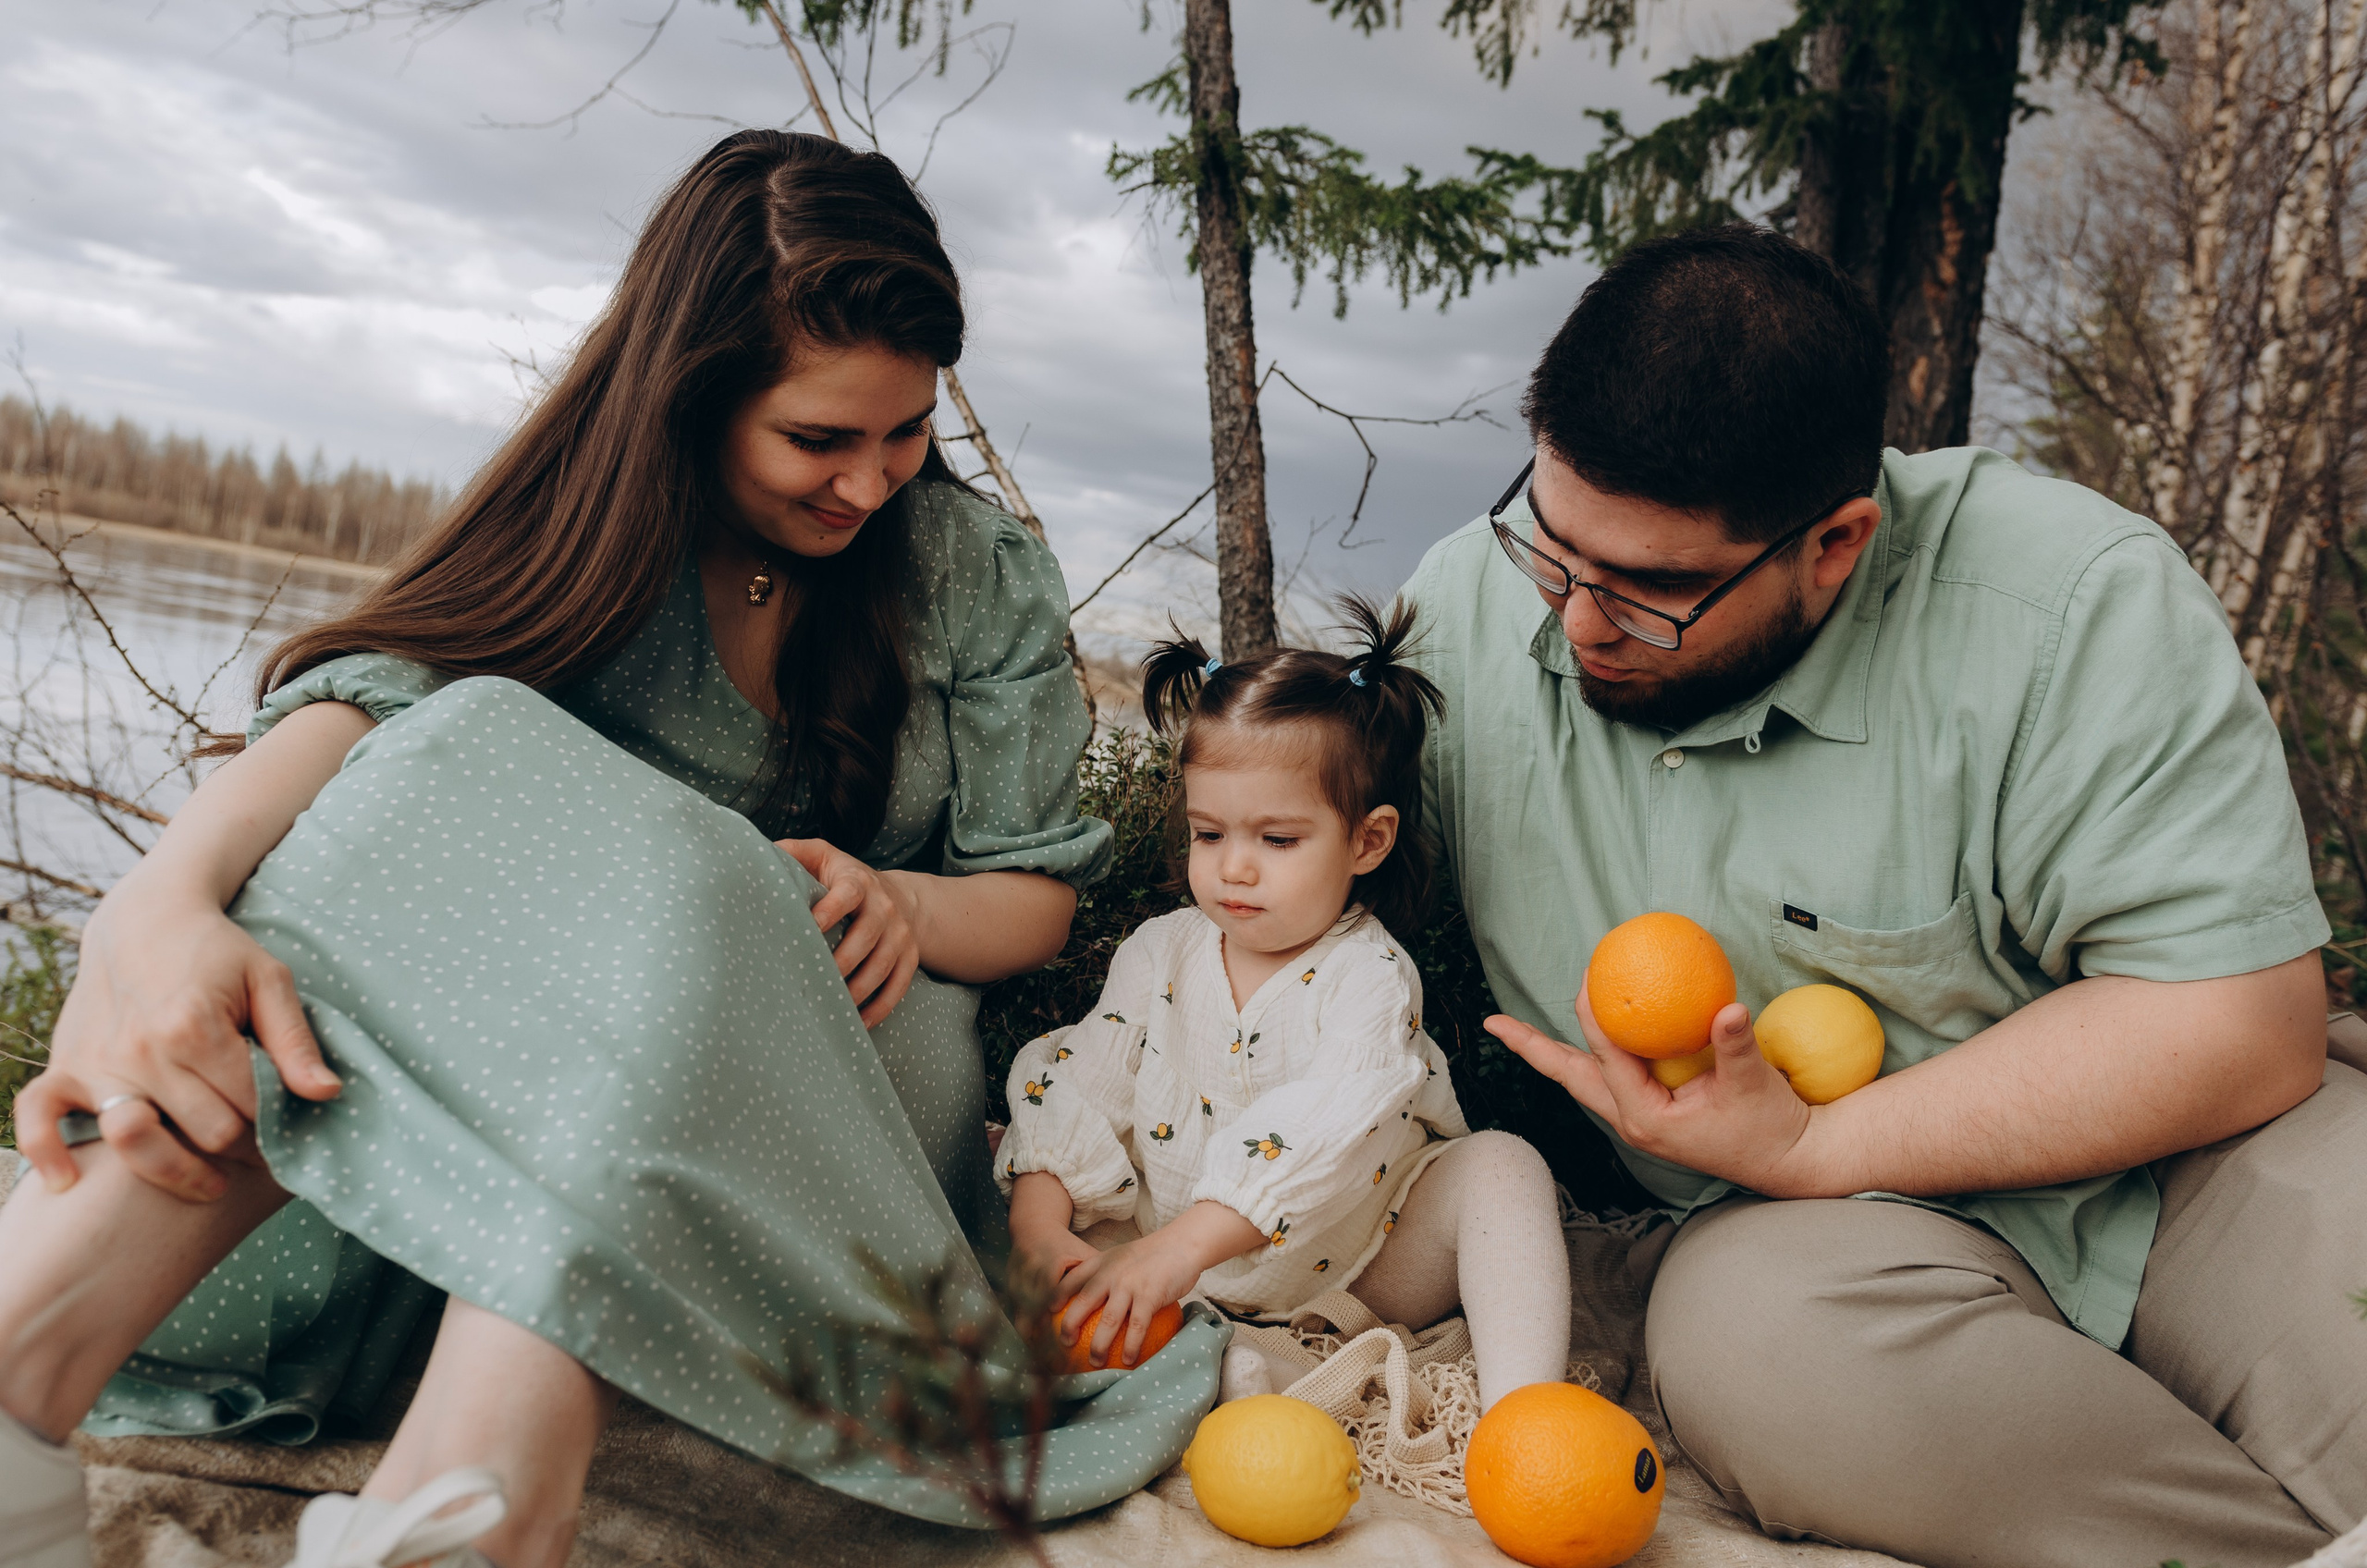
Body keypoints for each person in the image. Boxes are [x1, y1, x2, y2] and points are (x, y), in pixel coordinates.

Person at [0, 130, 1221, 1568]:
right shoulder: (602, 526)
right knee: (462, 752)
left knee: (692, 886)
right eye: (818, 440)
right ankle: (42, 1390)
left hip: (858, 1055)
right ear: (692, 397)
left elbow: (1034, 901)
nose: (871, 483)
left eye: (905, 432)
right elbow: (376, 704)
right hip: (511, 1074)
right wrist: (163, 902)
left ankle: (476, 1498)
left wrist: (902, 899)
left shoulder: (968, 568)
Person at [1402, 223, 2365, 1568]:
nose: (1578, 622)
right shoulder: (1460, 614)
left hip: (2199, 1164)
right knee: (1755, 1352)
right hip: (1814, 1259)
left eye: (1655, 591)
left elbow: (2237, 1029)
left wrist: (1815, 1145)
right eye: (1555, 554)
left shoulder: (2070, 603)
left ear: (1838, 543)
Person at [999, 600, 1570, 1415]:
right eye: (1208, 834)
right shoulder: (1161, 951)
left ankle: (1528, 1415)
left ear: (1366, 842)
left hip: (1367, 1253)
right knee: (1058, 1231)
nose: (1234, 869)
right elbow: (1084, 1083)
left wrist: (1181, 1248)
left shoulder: (1368, 974)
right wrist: (1042, 1231)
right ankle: (1219, 1360)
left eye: (1277, 841)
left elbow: (1328, 1121)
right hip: (1171, 1259)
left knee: (1505, 1170)